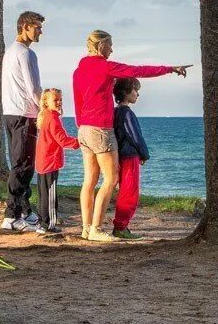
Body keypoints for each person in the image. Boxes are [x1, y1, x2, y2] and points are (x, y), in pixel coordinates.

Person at [71, 30, 189, 242]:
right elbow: (137, 71)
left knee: (89, 180)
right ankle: (97, 229)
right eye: (110, 46)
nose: (112, 50)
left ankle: (86, 228)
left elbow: (78, 101)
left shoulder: (78, 71)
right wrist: (169, 69)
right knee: (111, 178)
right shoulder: (105, 66)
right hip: (100, 128)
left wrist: (82, 126)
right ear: (101, 46)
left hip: (84, 128)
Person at [0, 10, 44, 233]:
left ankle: (26, 211)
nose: (40, 32)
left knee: (21, 162)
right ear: (25, 26)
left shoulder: (10, 52)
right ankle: (12, 216)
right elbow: (33, 87)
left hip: (11, 113)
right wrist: (44, 110)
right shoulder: (26, 54)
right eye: (37, 27)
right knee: (23, 165)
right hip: (25, 114)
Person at [33, 88, 80, 237]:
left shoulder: (45, 116)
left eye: (60, 100)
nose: (59, 102)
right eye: (56, 100)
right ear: (46, 102)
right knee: (50, 194)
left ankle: (42, 222)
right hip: (50, 161)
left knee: (43, 193)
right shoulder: (53, 118)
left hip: (42, 161)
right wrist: (79, 142)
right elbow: (62, 140)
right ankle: (49, 224)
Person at [111, 77, 149, 239]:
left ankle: (121, 226)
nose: (138, 94)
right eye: (136, 90)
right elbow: (135, 135)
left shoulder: (115, 112)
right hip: (129, 156)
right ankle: (120, 227)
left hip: (120, 155)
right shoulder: (126, 113)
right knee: (130, 192)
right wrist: (144, 154)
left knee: (125, 191)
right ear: (126, 92)